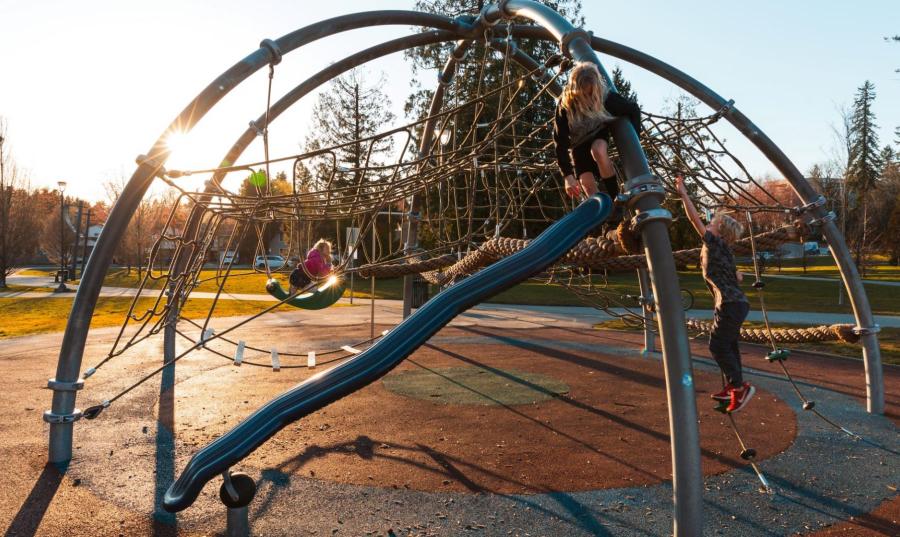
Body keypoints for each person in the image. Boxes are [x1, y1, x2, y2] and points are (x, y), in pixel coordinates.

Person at [676, 175, 755, 413]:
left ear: (718, 233)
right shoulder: (723, 251)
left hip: (730, 305)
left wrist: (683, 193)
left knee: (717, 346)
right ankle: (735, 385)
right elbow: (735, 276)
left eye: (712, 223)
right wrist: (737, 275)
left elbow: (692, 219)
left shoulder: (714, 244)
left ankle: (739, 386)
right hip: (735, 304)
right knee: (729, 345)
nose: (707, 224)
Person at [552, 62, 641, 206]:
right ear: (575, 91)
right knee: (587, 183)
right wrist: (568, 176)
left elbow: (633, 109)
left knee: (598, 150)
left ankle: (615, 197)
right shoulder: (565, 106)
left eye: (591, 94)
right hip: (577, 143)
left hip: (597, 133)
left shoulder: (606, 97)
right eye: (584, 94)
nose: (588, 98)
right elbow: (559, 141)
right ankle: (604, 214)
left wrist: (635, 140)